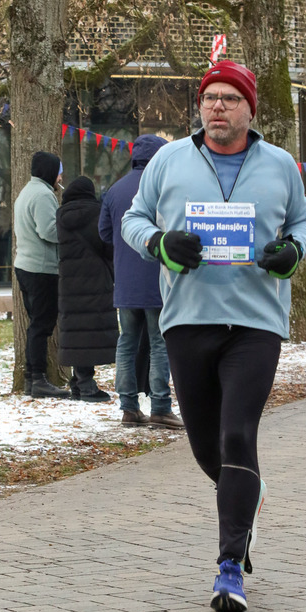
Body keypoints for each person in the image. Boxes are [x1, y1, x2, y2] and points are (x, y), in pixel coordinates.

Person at [122, 60, 306, 612]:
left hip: (256, 323)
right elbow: (134, 219)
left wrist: (292, 252)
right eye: (211, 98)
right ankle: (245, 495)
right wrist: (159, 243)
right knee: (207, 446)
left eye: (231, 98)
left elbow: (304, 223)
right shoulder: (168, 161)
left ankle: (229, 566)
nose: (218, 107)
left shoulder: (279, 164)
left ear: (250, 108)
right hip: (187, 318)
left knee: (237, 436)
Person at [99, 134, 184, 428]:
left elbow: (105, 233)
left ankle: (128, 406)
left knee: (126, 343)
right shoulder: (163, 188)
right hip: (157, 279)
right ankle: (160, 404)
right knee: (160, 343)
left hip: (125, 282)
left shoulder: (114, 190)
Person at [55, 176, 117, 401]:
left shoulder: (61, 216)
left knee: (77, 331)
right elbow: (107, 244)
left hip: (69, 282)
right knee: (89, 331)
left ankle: (78, 383)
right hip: (94, 280)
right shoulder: (97, 213)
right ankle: (87, 386)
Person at [13, 151, 70, 398]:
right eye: (59, 171)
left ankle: (30, 378)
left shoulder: (26, 192)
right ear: (49, 171)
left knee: (36, 324)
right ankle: (37, 378)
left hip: (26, 265)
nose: (61, 176)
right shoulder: (43, 195)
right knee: (41, 326)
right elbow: (48, 231)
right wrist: (70, 232)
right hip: (41, 269)